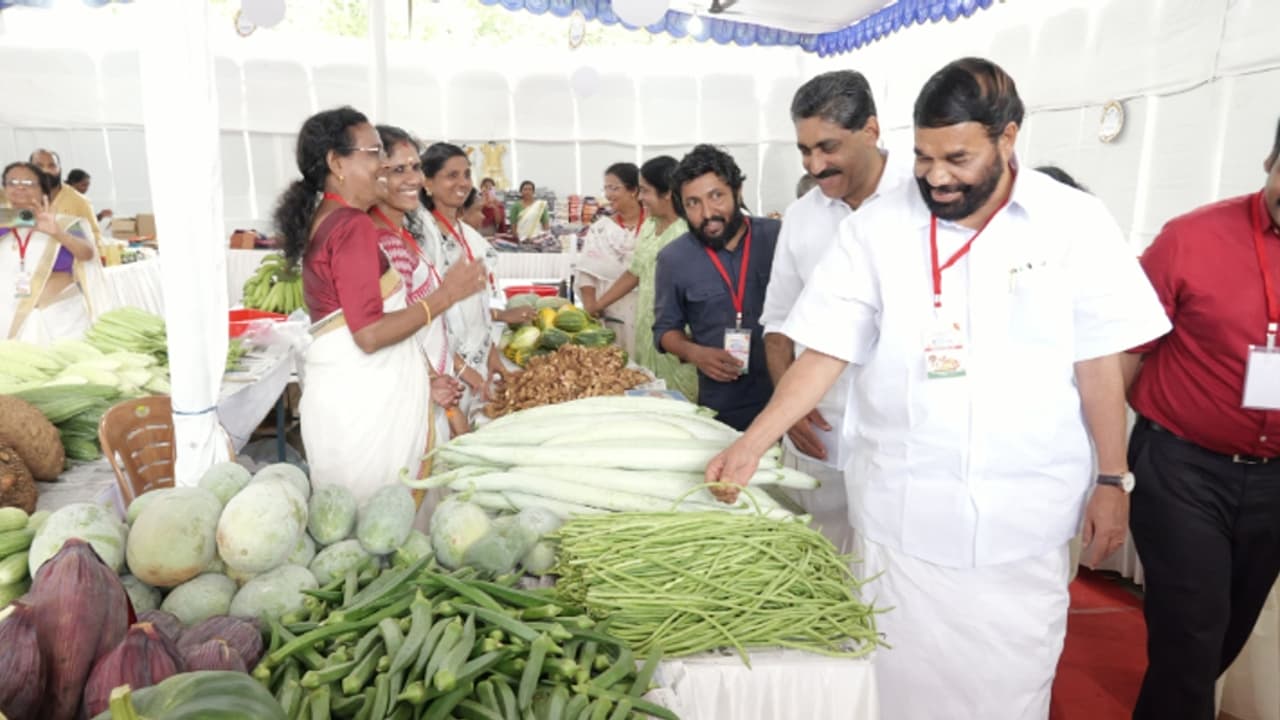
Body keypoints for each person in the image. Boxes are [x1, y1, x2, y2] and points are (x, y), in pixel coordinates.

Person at [705, 58, 1170, 719]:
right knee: (898, 687)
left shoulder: (1073, 222)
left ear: (1008, 140)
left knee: (1011, 690)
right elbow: (825, 349)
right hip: (904, 518)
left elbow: (1100, 360)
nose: (936, 176)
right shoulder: (877, 228)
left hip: (1025, 521)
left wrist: (1111, 481)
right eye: (923, 157)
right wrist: (756, 440)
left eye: (957, 157)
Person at [1123, 117, 1280, 720]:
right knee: (1191, 633)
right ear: (1270, 161)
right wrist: (1107, 466)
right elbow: (1123, 350)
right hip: (1183, 465)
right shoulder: (1190, 239)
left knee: (1223, 636)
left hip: (1272, 479)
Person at [279, 107, 486, 504]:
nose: (383, 166)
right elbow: (370, 334)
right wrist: (446, 296)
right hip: (365, 409)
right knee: (383, 529)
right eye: (374, 153)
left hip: (350, 403)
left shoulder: (331, 219)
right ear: (337, 162)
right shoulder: (351, 225)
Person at [759, 70, 905, 553]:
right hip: (822, 438)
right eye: (804, 151)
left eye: (828, 147)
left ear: (871, 130)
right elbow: (778, 325)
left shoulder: (924, 202)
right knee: (825, 567)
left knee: (894, 580)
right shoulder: (802, 218)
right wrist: (788, 404)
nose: (815, 165)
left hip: (904, 445)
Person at [653, 145, 779, 431]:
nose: (707, 213)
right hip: (721, 405)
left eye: (716, 196)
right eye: (693, 203)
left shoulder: (778, 239)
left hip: (786, 394)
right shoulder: (674, 259)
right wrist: (695, 353)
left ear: (738, 191)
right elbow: (664, 331)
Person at [367, 125, 468, 446]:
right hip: (408, 398)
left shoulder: (404, 235)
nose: (413, 179)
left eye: (415, 168)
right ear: (373, 174)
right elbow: (386, 331)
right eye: (397, 170)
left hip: (433, 391)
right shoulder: (379, 244)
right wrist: (428, 383)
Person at [417, 142, 530, 420]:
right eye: (451, 175)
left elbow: (478, 307)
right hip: (444, 375)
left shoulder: (467, 235)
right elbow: (424, 321)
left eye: (467, 174)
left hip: (476, 366)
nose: (463, 183)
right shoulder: (423, 240)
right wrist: (465, 372)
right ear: (428, 183)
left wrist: (491, 357)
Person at [586, 156, 696, 400]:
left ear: (667, 192)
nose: (640, 197)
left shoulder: (688, 232)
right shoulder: (649, 226)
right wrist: (597, 305)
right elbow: (635, 272)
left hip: (677, 338)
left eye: (645, 191)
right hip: (647, 331)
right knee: (650, 394)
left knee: (679, 402)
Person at [0, 161, 106, 343]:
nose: (19, 187)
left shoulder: (63, 222)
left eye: (28, 183)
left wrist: (57, 232)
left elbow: (87, 254)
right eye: (12, 182)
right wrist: (26, 218)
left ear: (43, 189)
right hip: (10, 318)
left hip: (62, 320)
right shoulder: (4, 222)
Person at [578, 163, 645, 355]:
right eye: (606, 188)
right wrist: (591, 306)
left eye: (614, 188)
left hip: (647, 312)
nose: (608, 195)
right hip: (610, 314)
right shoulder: (600, 229)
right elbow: (586, 272)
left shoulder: (654, 226)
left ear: (633, 190)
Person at [31, 149, 103, 248]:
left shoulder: (79, 201)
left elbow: (95, 238)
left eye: (51, 166)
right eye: (39, 166)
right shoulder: (19, 200)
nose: (45, 171)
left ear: (59, 169)